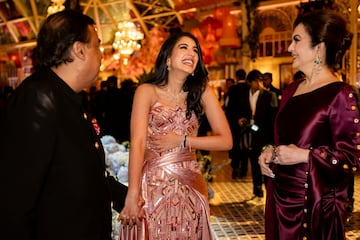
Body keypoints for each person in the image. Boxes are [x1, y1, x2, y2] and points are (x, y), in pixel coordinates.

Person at [0, 10, 127, 240]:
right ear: (79, 50)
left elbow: (86, 176)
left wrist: (133, 197)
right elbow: (15, 200)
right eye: (97, 46)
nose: (101, 55)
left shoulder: (68, 97)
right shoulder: (39, 98)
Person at [119, 31, 232, 239]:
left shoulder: (202, 93)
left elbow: (226, 141)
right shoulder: (147, 91)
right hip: (154, 185)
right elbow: (138, 142)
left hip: (191, 185)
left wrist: (183, 140)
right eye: (184, 47)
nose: (192, 53)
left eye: (196, 50)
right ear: (168, 59)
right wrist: (132, 194)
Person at [258, 10, 360, 239]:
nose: (289, 48)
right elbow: (284, 141)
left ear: (319, 48)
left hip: (314, 208)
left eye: (296, 40)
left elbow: (353, 159)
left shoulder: (341, 94)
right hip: (281, 201)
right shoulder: (291, 90)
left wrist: (306, 156)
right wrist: (270, 151)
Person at [233, 69, 276, 205]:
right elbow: (238, 111)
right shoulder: (243, 95)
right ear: (250, 82)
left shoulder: (268, 95)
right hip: (249, 135)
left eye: (260, 80)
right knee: (254, 163)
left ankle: (270, 193)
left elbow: (273, 118)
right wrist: (239, 119)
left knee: (267, 164)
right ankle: (257, 192)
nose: (259, 83)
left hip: (265, 135)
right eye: (256, 81)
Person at [224, 69, 250, 179]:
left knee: (235, 146)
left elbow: (228, 107)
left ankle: (235, 169)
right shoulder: (249, 89)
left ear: (237, 77)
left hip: (234, 123)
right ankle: (244, 170)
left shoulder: (232, 90)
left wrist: (232, 121)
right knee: (245, 146)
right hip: (247, 122)